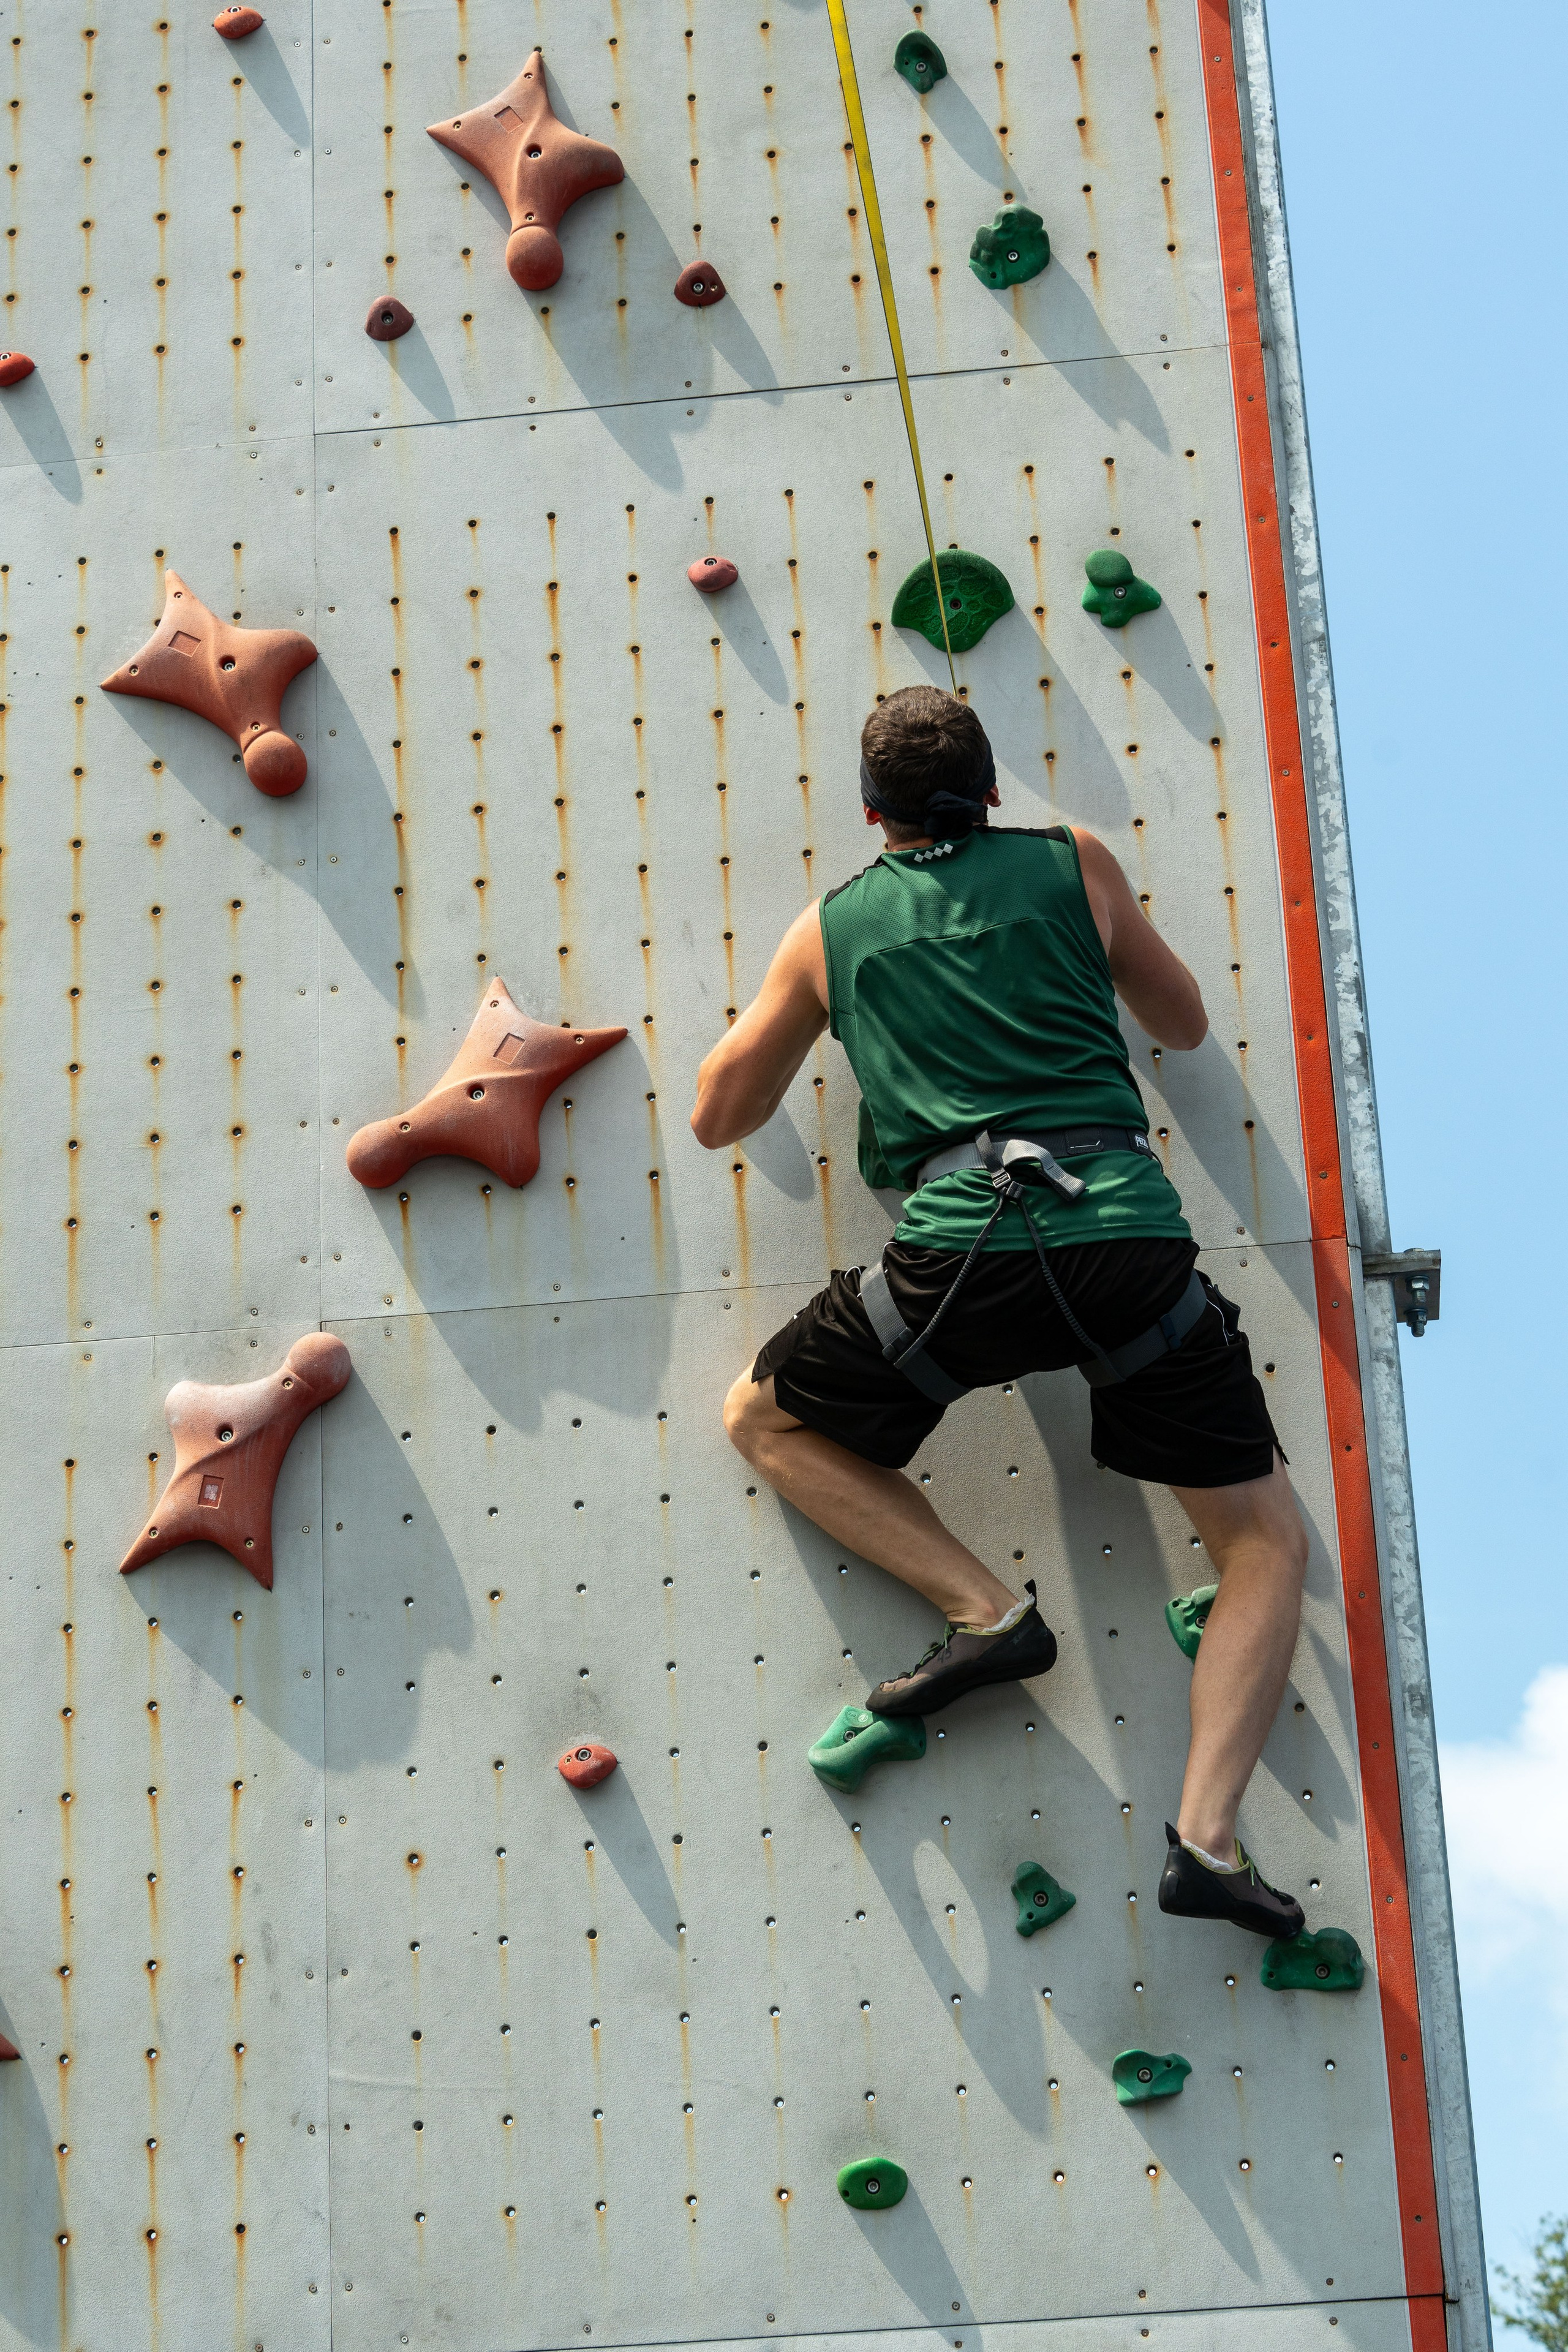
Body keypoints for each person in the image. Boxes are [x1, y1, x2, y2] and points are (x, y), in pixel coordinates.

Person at [691, 685, 1308, 1941]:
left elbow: (717, 1115)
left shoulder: (827, 929)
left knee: (764, 1418)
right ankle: (1204, 1837)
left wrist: (816, 995)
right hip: (1124, 1248)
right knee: (1260, 1546)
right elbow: (1179, 1020)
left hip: (956, 1262)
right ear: (987, 789)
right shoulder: (1073, 860)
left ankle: (986, 1615)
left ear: (870, 815)